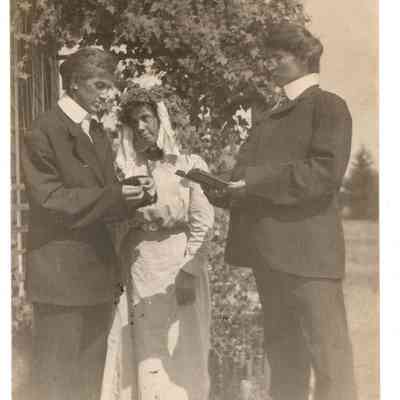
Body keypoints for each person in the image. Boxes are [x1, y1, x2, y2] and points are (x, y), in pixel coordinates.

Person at [204, 24, 357, 400]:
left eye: (277, 57)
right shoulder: (270, 115)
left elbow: (323, 174)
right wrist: (222, 189)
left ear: (304, 58)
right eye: (268, 57)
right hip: (270, 256)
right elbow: (247, 178)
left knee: (330, 362)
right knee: (285, 360)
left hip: (310, 259)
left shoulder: (328, 106)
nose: (269, 64)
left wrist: (252, 182)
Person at [21, 48, 154, 400]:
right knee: (55, 383)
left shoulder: (95, 131)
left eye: (112, 86)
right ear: (75, 84)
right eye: (101, 85)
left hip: (97, 277)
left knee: (89, 384)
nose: (109, 95)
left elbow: (104, 197)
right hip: (61, 280)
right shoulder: (44, 130)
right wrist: (115, 195)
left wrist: (135, 194)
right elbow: (51, 200)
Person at [100, 83, 215, 400]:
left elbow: (203, 221)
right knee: (143, 348)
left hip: (179, 263)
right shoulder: (125, 169)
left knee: (182, 347)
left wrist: (190, 270)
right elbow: (115, 223)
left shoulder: (188, 164)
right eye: (133, 121)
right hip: (140, 266)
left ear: (160, 119)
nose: (140, 127)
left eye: (146, 118)